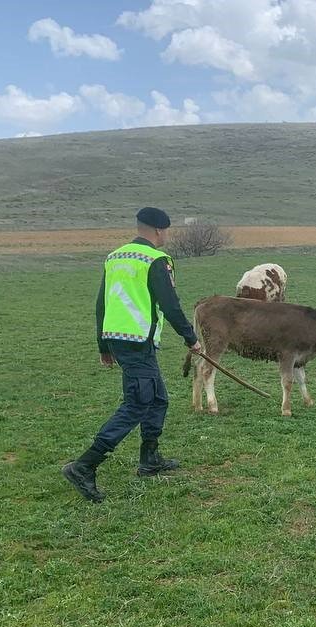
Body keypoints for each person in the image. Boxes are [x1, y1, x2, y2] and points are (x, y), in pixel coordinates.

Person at [62, 207, 203, 503]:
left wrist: (103, 344)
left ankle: (149, 458)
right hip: (138, 340)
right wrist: (191, 338)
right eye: (167, 231)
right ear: (159, 231)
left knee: (158, 398)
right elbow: (170, 304)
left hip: (117, 338)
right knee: (137, 403)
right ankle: (84, 465)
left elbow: (101, 303)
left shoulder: (115, 257)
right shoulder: (156, 260)